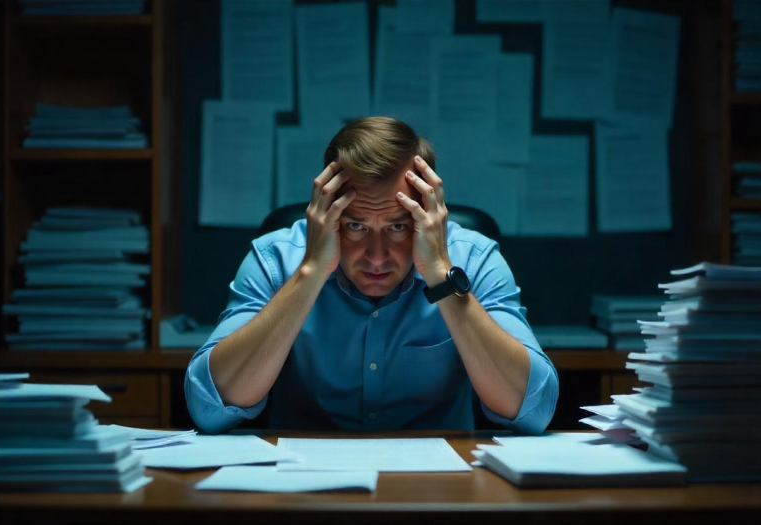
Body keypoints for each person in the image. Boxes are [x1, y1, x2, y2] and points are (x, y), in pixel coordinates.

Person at [185, 117, 558, 434]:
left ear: (427, 213)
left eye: (398, 227)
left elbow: (533, 411)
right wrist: (312, 271)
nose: (376, 257)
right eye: (355, 226)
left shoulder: (472, 260)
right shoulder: (275, 259)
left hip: (440, 491)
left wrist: (441, 276)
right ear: (324, 213)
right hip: (301, 488)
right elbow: (211, 408)